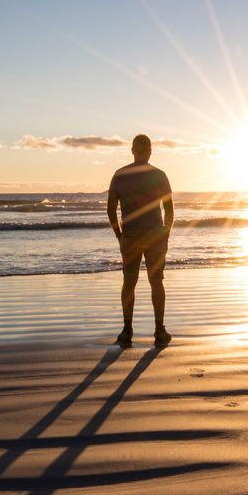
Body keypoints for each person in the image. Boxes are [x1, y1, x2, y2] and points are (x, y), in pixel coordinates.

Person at [107, 134, 174, 347]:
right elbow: (170, 210)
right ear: (150, 151)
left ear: (132, 150)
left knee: (129, 282)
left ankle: (127, 331)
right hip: (155, 235)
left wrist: (120, 236)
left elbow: (110, 210)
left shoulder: (120, 175)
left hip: (131, 236)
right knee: (156, 282)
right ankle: (159, 330)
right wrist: (166, 234)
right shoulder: (159, 175)